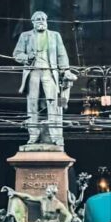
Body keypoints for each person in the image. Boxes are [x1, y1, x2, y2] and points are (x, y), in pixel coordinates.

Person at [13, 10, 76, 147]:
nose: (41, 21)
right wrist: (27, 57)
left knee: (54, 102)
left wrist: (65, 70)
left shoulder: (55, 35)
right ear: (33, 22)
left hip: (49, 72)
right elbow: (17, 54)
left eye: (43, 19)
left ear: (46, 21)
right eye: (38, 19)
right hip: (33, 72)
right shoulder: (25, 36)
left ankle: (56, 136)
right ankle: (33, 134)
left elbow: (61, 55)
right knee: (32, 103)